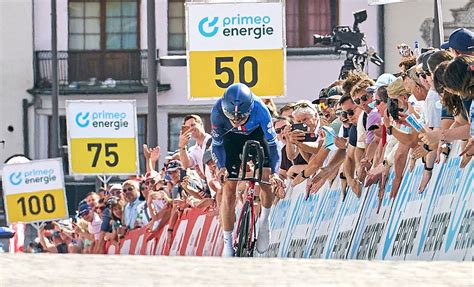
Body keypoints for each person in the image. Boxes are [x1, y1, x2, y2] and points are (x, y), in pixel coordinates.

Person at [211, 83, 284, 257]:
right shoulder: (217, 112)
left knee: (266, 180)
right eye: (232, 116)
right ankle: (228, 242)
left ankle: (264, 222)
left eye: (241, 117)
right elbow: (217, 145)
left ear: (249, 109)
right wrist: (221, 167)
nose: (236, 121)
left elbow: (273, 147)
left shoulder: (261, 110)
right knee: (228, 188)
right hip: (232, 140)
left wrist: (274, 172)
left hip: (258, 135)